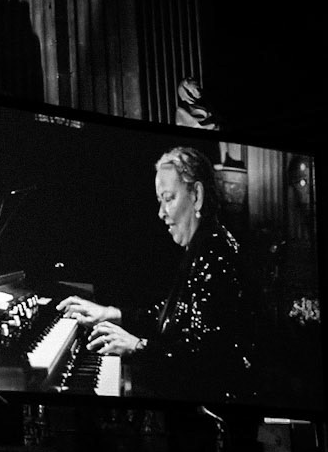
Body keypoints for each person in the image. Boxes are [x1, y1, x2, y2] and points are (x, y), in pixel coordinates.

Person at [58, 144, 251, 400]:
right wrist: (111, 314)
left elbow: (207, 356)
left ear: (196, 196)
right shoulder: (202, 246)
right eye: (160, 201)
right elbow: (171, 316)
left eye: (169, 199)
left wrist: (137, 346)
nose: (161, 213)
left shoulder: (215, 253)